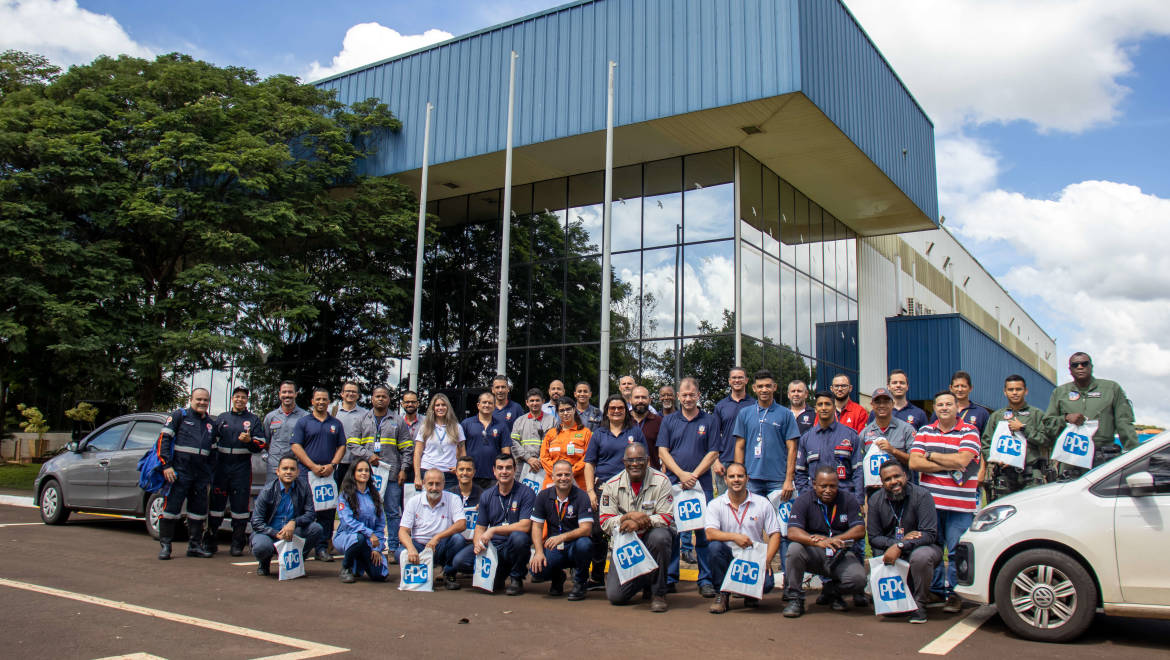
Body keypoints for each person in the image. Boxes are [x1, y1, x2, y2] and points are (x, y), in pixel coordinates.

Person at [909, 390, 981, 614]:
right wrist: (948, 463)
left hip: (960, 506)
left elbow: (963, 460)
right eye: (939, 404)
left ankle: (957, 593)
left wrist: (930, 456)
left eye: (949, 404)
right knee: (933, 548)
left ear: (957, 407)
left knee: (958, 550)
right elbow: (913, 463)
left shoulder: (970, 431)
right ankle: (936, 590)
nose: (944, 408)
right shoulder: (925, 431)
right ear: (935, 408)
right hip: (931, 505)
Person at [658, 377, 719, 596]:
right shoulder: (669, 421)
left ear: (698, 395)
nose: (688, 398)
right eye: (684, 395)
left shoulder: (710, 420)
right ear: (678, 397)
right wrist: (681, 474)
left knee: (703, 533)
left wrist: (693, 475)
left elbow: (713, 452)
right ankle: (671, 576)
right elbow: (662, 451)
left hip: (701, 486)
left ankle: (705, 579)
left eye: (692, 394)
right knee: (673, 532)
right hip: (675, 485)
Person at [599, 443, 675, 612]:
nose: (635, 464)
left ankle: (658, 593)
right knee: (615, 596)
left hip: (651, 541)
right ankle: (648, 577)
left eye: (640, 459)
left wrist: (640, 522)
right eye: (630, 460)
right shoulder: (611, 485)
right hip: (626, 546)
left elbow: (667, 517)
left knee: (660, 537)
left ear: (647, 460)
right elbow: (605, 522)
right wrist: (627, 517)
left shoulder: (661, 481)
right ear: (623, 461)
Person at [782, 466, 867, 617]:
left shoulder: (848, 499)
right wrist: (816, 542)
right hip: (814, 552)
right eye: (823, 486)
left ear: (838, 485)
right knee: (794, 549)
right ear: (814, 484)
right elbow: (793, 532)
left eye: (832, 486)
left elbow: (860, 530)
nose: (828, 490)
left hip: (840, 552)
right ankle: (795, 599)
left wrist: (835, 539)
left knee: (858, 579)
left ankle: (833, 591)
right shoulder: (803, 500)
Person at [584, 394, 647, 590]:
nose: (617, 411)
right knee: (598, 531)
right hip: (603, 487)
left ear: (625, 410)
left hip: (630, 487)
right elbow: (589, 464)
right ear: (607, 411)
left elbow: (645, 460)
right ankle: (597, 576)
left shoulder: (635, 432)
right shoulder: (599, 434)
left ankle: (634, 575)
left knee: (631, 528)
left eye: (620, 407)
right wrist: (590, 492)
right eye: (612, 408)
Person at [867, 460, 941, 624]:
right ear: (882, 482)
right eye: (888, 479)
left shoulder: (922, 496)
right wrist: (896, 543)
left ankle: (920, 604)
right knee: (882, 553)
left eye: (897, 476)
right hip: (891, 549)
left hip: (922, 548)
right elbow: (873, 537)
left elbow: (929, 534)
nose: (893, 482)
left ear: (906, 476)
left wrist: (901, 545)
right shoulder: (875, 500)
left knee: (921, 556)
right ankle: (894, 601)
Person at [705, 462, 782, 614]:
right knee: (714, 547)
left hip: (753, 558)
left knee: (767, 584)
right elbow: (710, 533)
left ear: (747, 478)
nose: (736, 480)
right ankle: (722, 595)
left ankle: (750, 593)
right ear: (725, 480)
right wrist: (735, 537)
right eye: (732, 476)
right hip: (728, 556)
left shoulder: (762, 503)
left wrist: (766, 560)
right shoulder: (715, 504)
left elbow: (775, 534)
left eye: (740, 476)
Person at [453, 454, 535, 595]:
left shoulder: (526, 492)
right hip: (493, 546)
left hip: (511, 545)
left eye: (508, 468)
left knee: (519, 538)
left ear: (514, 470)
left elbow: (525, 526)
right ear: (494, 471)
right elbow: (480, 527)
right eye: (500, 468)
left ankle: (516, 578)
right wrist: (478, 543)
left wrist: (494, 530)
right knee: (460, 561)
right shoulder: (487, 495)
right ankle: (498, 573)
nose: (504, 471)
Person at [1045, 352, 1139, 477]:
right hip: (1071, 458)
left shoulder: (1111, 389)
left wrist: (1136, 457)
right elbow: (1047, 423)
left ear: (1091, 366)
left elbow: (1124, 424)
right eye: (1075, 365)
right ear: (1070, 369)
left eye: (1084, 363)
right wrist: (1066, 418)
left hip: (1103, 456)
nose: (1080, 367)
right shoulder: (1060, 393)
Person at [154, 388, 217, 560]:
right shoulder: (178, 416)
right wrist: (166, 466)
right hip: (179, 472)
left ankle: (195, 546)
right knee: (171, 510)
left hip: (200, 475)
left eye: (205, 400)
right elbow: (163, 440)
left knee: (198, 512)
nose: (202, 402)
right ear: (191, 399)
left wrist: (209, 474)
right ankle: (166, 546)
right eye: (199, 399)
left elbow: (213, 452)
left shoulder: (211, 424)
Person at [346, 385, 406, 561]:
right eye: (377, 396)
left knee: (393, 512)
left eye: (384, 396)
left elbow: (406, 448)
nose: (380, 399)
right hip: (366, 476)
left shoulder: (398, 421)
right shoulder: (361, 419)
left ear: (389, 399)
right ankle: (367, 545)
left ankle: (394, 548)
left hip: (392, 474)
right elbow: (352, 444)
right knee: (364, 510)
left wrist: (403, 469)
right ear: (372, 399)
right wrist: (368, 455)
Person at [207, 386, 267, 556]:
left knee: (240, 506)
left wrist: (249, 441)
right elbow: (211, 442)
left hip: (241, 468)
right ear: (232, 398)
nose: (240, 400)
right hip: (222, 467)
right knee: (216, 504)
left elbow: (260, 445)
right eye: (237, 396)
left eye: (243, 397)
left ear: (247, 400)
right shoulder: (222, 418)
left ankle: (237, 542)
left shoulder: (253, 420)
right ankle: (211, 540)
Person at [290, 387, 346, 562]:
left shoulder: (336, 424)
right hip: (307, 474)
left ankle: (322, 548)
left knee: (327, 512)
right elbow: (295, 446)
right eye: (318, 399)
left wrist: (333, 464)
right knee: (305, 510)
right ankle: (301, 547)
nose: (321, 402)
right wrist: (312, 465)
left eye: (324, 399)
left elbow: (342, 446)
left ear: (329, 402)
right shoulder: (303, 422)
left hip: (328, 475)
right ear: (312, 402)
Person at [980, 375, 1059, 500]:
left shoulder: (1036, 414)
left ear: (1025, 391)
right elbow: (986, 443)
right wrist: (996, 458)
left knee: (1032, 512)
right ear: (1005, 392)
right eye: (1011, 390)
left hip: (1031, 474)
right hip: (1005, 474)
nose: (1015, 393)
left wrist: (1024, 429)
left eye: (1018, 389)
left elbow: (1047, 441)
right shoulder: (997, 416)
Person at [529, 459, 595, 600]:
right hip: (554, 547)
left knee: (585, 544)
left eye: (567, 474)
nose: (563, 478)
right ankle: (557, 576)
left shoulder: (582, 496)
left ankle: (580, 582)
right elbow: (537, 526)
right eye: (559, 475)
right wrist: (538, 552)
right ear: (552, 477)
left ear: (572, 476)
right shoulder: (543, 496)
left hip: (575, 545)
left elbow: (586, 529)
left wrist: (562, 537)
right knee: (537, 572)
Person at [249, 453, 324, 577]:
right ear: (277, 471)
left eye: (292, 469)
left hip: (292, 532)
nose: (288, 472)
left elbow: (310, 514)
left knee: (316, 529)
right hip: (270, 533)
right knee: (261, 547)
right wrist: (275, 534)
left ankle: (297, 560)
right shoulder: (267, 491)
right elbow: (256, 522)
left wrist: (294, 522)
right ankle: (264, 562)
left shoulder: (304, 487)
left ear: (298, 472)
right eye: (285, 469)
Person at [733, 369, 800, 499]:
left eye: (768, 386)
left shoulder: (786, 414)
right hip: (751, 479)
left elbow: (792, 448)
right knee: (752, 518)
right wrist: (739, 475)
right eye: (760, 386)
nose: (764, 390)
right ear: (754, 388)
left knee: (778, 519)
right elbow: (739, 446)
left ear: (774, 387)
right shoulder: (744, 413)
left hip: (778, 480)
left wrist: (789, 479)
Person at [400, 467, 469, 590]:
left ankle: (449, 573)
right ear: (424, 484)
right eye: (430, 484)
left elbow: (462, 524)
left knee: (458, 540)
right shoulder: (413, 501)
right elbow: (403, 531)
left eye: (438, 484)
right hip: (419, 545)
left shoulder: (453, 498)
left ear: (444, 484)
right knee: (400, 552)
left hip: (441, 545)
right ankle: (420, 573)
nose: (434, 488)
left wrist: (437, 537)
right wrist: (411, 548)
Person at [795, 391, 864, 499]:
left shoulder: (850, 435)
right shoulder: (806, 438)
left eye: (827, 404)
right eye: (820, 404)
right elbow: (800, 472)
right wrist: (807, 496)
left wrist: (858, 500)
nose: (823, 408)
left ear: (834, 407)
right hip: (815, 499)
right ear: (815, 409)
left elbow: (858, 471)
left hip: (845, 497)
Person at [333, 459, 387, 583]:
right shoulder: (345, 496)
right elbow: (347, 522)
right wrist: (369, 533)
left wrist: (377, 549)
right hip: (348, 536)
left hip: (371, 541)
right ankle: (346, 568)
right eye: (360, 470)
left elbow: (380, 525)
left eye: (367, 470)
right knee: (359, 539)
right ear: (353, 473)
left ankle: (360, 563)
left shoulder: (375, 495)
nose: (364, 473)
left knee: (380, 575)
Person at [713, 367, 755, 495]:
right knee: (724, 502)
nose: (737, 380)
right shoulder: (721, 406)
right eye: (734, 378)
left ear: (746, 380)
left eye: (740, 377)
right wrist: (715, 461)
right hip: (725, 461)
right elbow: (714, 436)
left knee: (750, 502)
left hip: (750, 461)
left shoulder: (754, 404)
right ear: (729, 381)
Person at [859, 387, 917, 478]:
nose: (882, 405)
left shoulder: (906, 429)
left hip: (900, 487)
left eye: (886, 401)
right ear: (872, 405)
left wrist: (893, 451)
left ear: (893, 404)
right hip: (874, 488)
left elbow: (915, 461)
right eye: (878, 402)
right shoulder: (864, 433)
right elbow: (860, 464)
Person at [413, 393, 466, 491]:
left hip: (449, 474)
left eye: (443, 405)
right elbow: (417, 453)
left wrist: (460, 469)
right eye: (437, 405)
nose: (440, 408)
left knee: (448, 504)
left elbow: (462, 452)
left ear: (448, 407)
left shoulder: (457, 427)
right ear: (433, 408)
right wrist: (417, 476)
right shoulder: (425, 427)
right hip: (427, 472)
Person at [462, 391, 511, 488]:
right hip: (470, 474)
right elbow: (460, 449)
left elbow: (506, 452)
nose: (487, 405)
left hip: (493, 476)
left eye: (490, 403)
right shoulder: (466, 424)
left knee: (492, 503)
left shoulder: (502, 426)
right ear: (478, 405)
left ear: (494, 406)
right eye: (484, 402)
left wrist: (502, 473)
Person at [540, 397, 592, 489]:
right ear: (558, 413)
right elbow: (544, 457)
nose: (565, 413)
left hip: (578, 481)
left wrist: (570, 472)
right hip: (552, 481)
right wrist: (558, 473)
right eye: (561, 410)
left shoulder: (585, 432)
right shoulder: (551, 433)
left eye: (568, 409)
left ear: (574, 409)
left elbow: (587, 457)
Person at [263, 380, 308, 484]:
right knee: (272, 497)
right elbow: (266, 442)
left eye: (290, 392)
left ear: (296, 394)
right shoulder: (270, 417)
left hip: (295, 467)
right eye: (284, 392)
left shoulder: (305, 417)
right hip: (274, 467)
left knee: (295, 498)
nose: (287, 395)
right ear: (279, 394)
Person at [511, 388, 555, 474]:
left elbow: (554, 443)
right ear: (527, 403)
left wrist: (538, 461)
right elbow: (513, 442)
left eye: (537, 400)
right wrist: (528, 458)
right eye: (532, 401)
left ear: (543, 401)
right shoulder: (519, 421)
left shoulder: (552, 420)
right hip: (522, 465)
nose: (534, 403)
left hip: (544, 466)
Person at [332, 381, 368, 484]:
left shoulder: (365, 414)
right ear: (342, 394)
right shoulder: (332, 412)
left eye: (354, 392)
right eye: (348, 391)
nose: (351, 394)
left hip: (356, 463)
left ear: (358, 395)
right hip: (336, 462)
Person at [629, 385, 663, 469]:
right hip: (625, 473)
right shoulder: (622, 420)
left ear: (649, 400)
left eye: (644, 397)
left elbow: (664, 450)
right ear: (630, 400)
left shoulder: (659, 422)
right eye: (637, 397)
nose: (640, 401)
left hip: (652, 474)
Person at [947, 371, 990, 435]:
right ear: (951, 388)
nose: (960, 389)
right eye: (956, 386)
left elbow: (986, 440)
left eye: (963, 386)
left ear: (971, 388)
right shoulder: (943, 410)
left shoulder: (981, 413)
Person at [398, 390, 423, 487]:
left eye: (413, 402)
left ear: (418, 403)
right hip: (400, 468)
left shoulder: (427, 422)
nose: (410, 404)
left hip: (420, 468)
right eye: (407, 402)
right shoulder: (396, 421)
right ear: (402, 404)